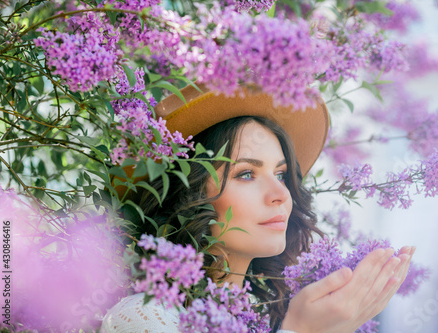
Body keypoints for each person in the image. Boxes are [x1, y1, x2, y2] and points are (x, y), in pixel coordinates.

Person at [101, 84, 414, 333]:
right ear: (186, 194)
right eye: (246, 174)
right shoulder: (146, 316)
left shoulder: (264, 317)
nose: (281, 193)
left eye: (280, 174)